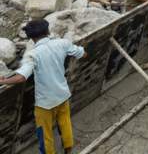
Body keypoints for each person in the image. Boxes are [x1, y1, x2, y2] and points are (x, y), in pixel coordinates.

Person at [0, 20, 86, 154]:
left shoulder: (33, 54)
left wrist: (4, 81)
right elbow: (81, 53)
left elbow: (22, 77)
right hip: (62, 94)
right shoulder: (62, 43)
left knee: (45, 134)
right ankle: (68, 150)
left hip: (45, 103)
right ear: (47, 31)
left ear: (31, 38)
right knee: (65, 123)